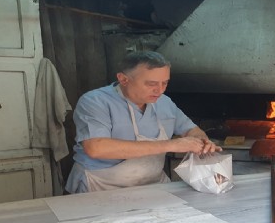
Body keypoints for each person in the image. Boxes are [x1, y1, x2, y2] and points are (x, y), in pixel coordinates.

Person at [65, 51, 221, 193]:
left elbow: (190, 130)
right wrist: (172, 145)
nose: (159, 90)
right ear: (123, 79)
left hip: (152, 185)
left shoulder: (164, 103)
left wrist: (202, 141)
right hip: (101, 186)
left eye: (165, 83)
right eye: (151, 84)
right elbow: (96, 148)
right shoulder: (95, 102)